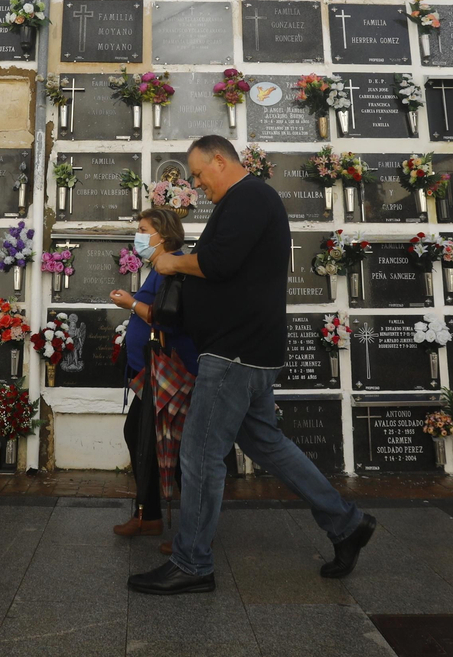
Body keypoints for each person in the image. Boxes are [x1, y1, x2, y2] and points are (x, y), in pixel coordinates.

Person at [127, 135, 376, 596]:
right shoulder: (246, 200)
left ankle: (192, 562)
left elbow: (220, 263)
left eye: (199, 174)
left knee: (200, 454)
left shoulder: (250, 197)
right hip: (248, 349)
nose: (197, 185)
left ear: (220, 160)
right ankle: (346, 523)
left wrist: (172, 264)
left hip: (234, 351)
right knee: (268, 444)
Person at [108, 208, 198, 543]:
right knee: (142, 438)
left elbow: (169, 318)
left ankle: (193, 531)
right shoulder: (161, 267)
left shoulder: (175, 268)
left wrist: (131, 304)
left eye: (144, 230)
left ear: (164, 234)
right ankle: (148, 516)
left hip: (167, 374)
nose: (139, 236)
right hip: (149, 374)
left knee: (174, 447)